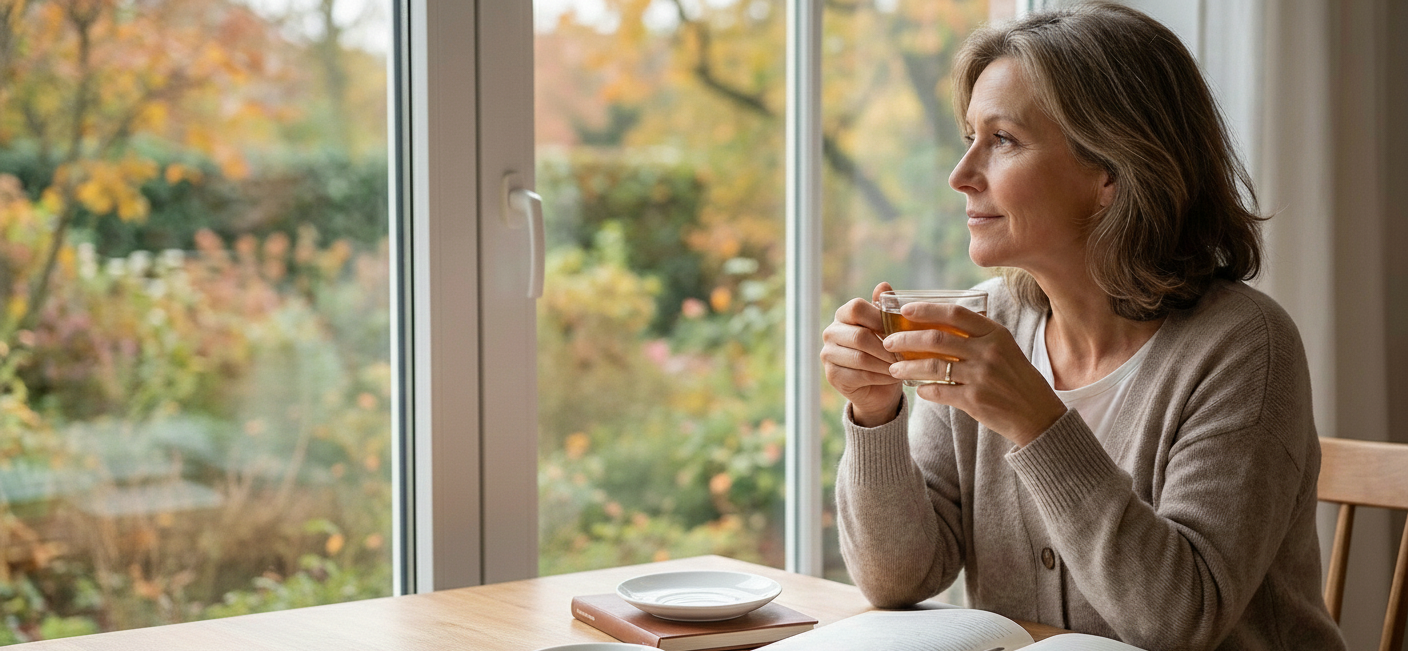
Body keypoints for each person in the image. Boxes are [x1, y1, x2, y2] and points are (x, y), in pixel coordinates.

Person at [819, 4, 1346, 650]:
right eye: (969, 139)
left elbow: (1180, 619)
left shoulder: (1243, 347)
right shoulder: (987, 324)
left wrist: (1038, 423)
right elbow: (896, 577)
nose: (961, 176)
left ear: (1110, 175)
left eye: (1003, 140)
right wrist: (876, 418)